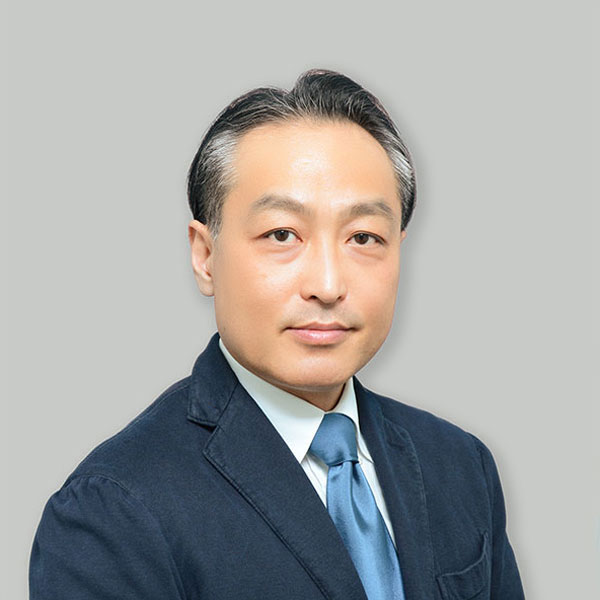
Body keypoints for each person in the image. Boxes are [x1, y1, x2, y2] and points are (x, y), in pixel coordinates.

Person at [29, 69, 525, 599]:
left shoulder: (458, 465)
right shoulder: (113, 510)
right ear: (205, 256)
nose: (328, 285)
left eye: (363, 237)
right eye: (282, 234)